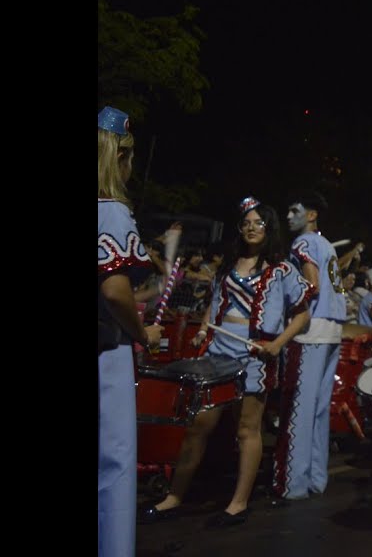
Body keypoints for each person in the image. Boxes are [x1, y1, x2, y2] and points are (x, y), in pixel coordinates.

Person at [140, 197, 313, 527]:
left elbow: (302, 315)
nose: (251, 228)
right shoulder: (229, 266)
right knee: (198, 425)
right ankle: (175, 496)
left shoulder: (283, 270)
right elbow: (216, 303)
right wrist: (203, 329)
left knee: (247, 429)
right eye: (246, 223)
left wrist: (277, 343)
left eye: (258, 222)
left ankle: (239, 502)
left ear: (269, 228)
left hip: (255, 355)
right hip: (218, 351)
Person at [98, 106, 164, 557]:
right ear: (121, 156)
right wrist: (143, 334)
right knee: (116, 466)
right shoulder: (113, 212)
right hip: (107, 355)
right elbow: (115, 292)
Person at [278, 191, 346, 500]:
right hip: (333, 329)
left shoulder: (302, 243)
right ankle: (317, 478)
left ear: (311, 215)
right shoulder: (327, 244)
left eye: (295, 210)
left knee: (300, 410)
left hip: (312, 329)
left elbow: (312, 284)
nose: (289, 216)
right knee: (319, 408)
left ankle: (293, 484)